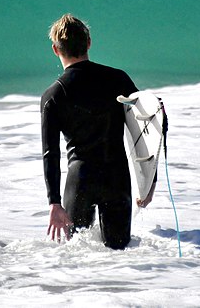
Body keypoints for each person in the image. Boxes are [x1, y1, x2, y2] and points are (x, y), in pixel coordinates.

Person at [40, 14, 141, 250]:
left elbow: (50, 153)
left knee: (78, 254)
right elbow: (145, 127)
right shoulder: (118, 78)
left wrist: (54, 203)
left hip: (80, 179)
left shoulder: (53, 95)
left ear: (56, 50)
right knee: (120, 253)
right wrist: (148, 182)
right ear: (88, 43)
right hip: (116, 177)